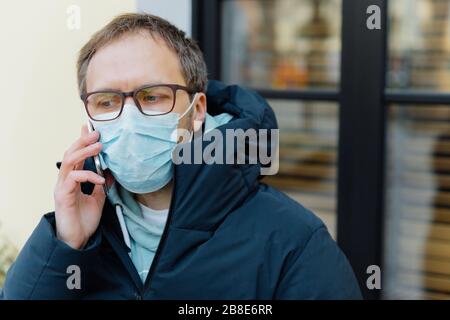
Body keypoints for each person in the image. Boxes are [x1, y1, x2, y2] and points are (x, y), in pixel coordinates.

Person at [1, 13, 361, 299]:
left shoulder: (292, 242)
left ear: (198, 108)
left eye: (153, 96)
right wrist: (66, 242)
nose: (129, 120)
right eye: (107, 101)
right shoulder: (80, 222)